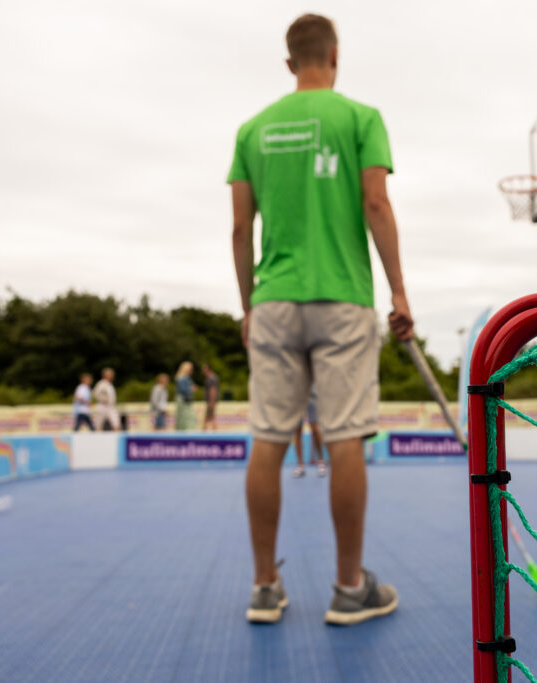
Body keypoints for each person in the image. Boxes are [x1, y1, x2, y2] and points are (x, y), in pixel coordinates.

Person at [228, 13, 413, 626]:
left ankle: (263, 588)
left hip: (275, 299)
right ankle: (349, 587)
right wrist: (400, 294)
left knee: (269, 437)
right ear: (335, 54)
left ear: (289, 63)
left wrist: (250, 306)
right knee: (344, 434)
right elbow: (375, 202)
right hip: (342, 297)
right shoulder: (360, 118)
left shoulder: (252, 130)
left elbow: (239, 228)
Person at [291, 393, 327, 478]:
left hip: (312, 396)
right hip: (297, 398)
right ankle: (300, 465)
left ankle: (321, 461)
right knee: (297, 431)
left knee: (315, 429)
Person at [174, 362, 196, 431]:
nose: (192, 371)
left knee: (182, 417)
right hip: (184, 401)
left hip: (184, 400)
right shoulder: (183, 378)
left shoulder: (184, 378)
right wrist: (191, 389)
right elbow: (184, 390)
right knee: (186, 417)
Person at [202, 364, 220, 431]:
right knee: (210, 417)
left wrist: (211, 402)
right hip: (211, 400)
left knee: (210, 417)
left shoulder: (211, 379)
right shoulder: (212, 378)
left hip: (211, 401)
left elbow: (213, 391)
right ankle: (206, 429)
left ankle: (206, 430)